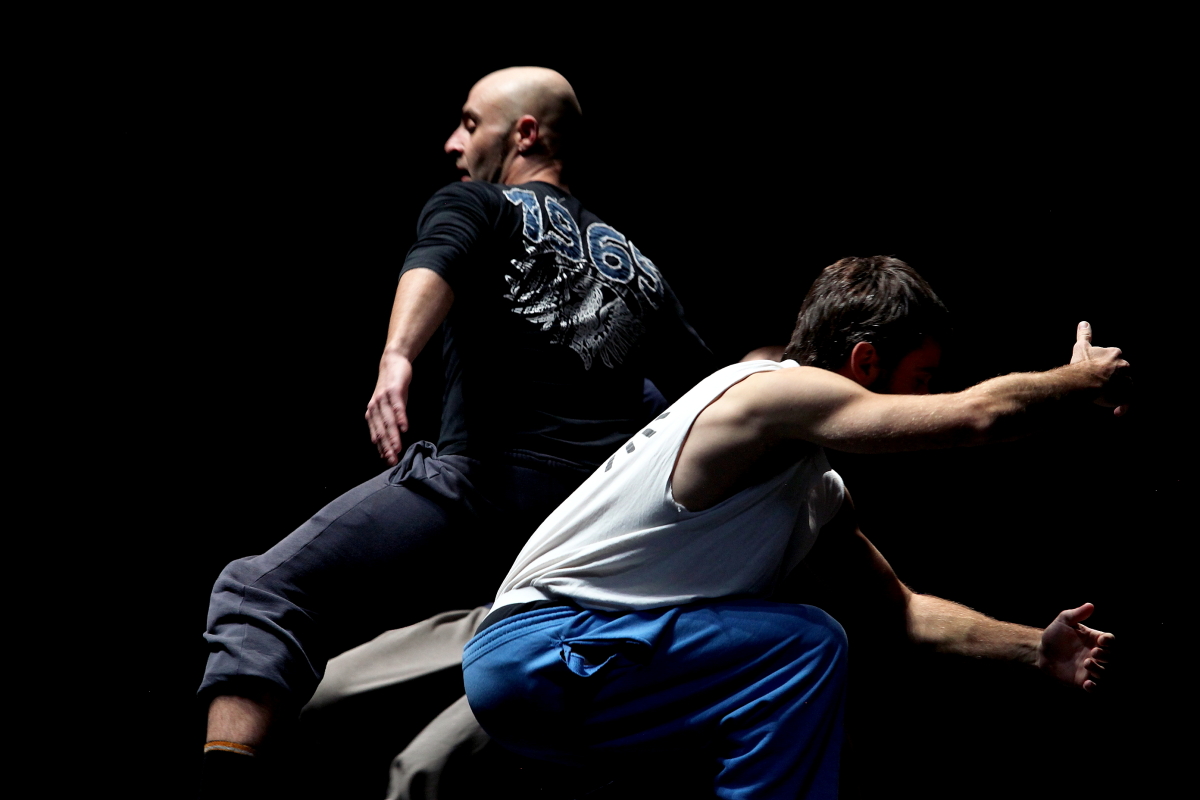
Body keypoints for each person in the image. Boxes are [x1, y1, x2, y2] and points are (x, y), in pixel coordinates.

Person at [198, 66, 714, 796]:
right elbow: (712, 395)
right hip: (579, 537)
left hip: (484, 489)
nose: (453, 141)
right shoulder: (641, 269)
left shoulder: (480, 203)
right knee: (395, 736)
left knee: (259, 592)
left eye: (470, 123)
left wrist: (397, 354)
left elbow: (436, 257)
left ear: (525, 133)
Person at [461, 256, 1126, 799]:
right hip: (546, 648)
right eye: (922, 378)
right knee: (805, 646)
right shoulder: (768, 390)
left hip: (581, 677)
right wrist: (1077, 383)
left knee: (794, 715)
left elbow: (900, 614)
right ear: (865, 362)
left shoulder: (811, 489)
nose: (925, 398)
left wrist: (1035, 649)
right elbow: (975, 417)